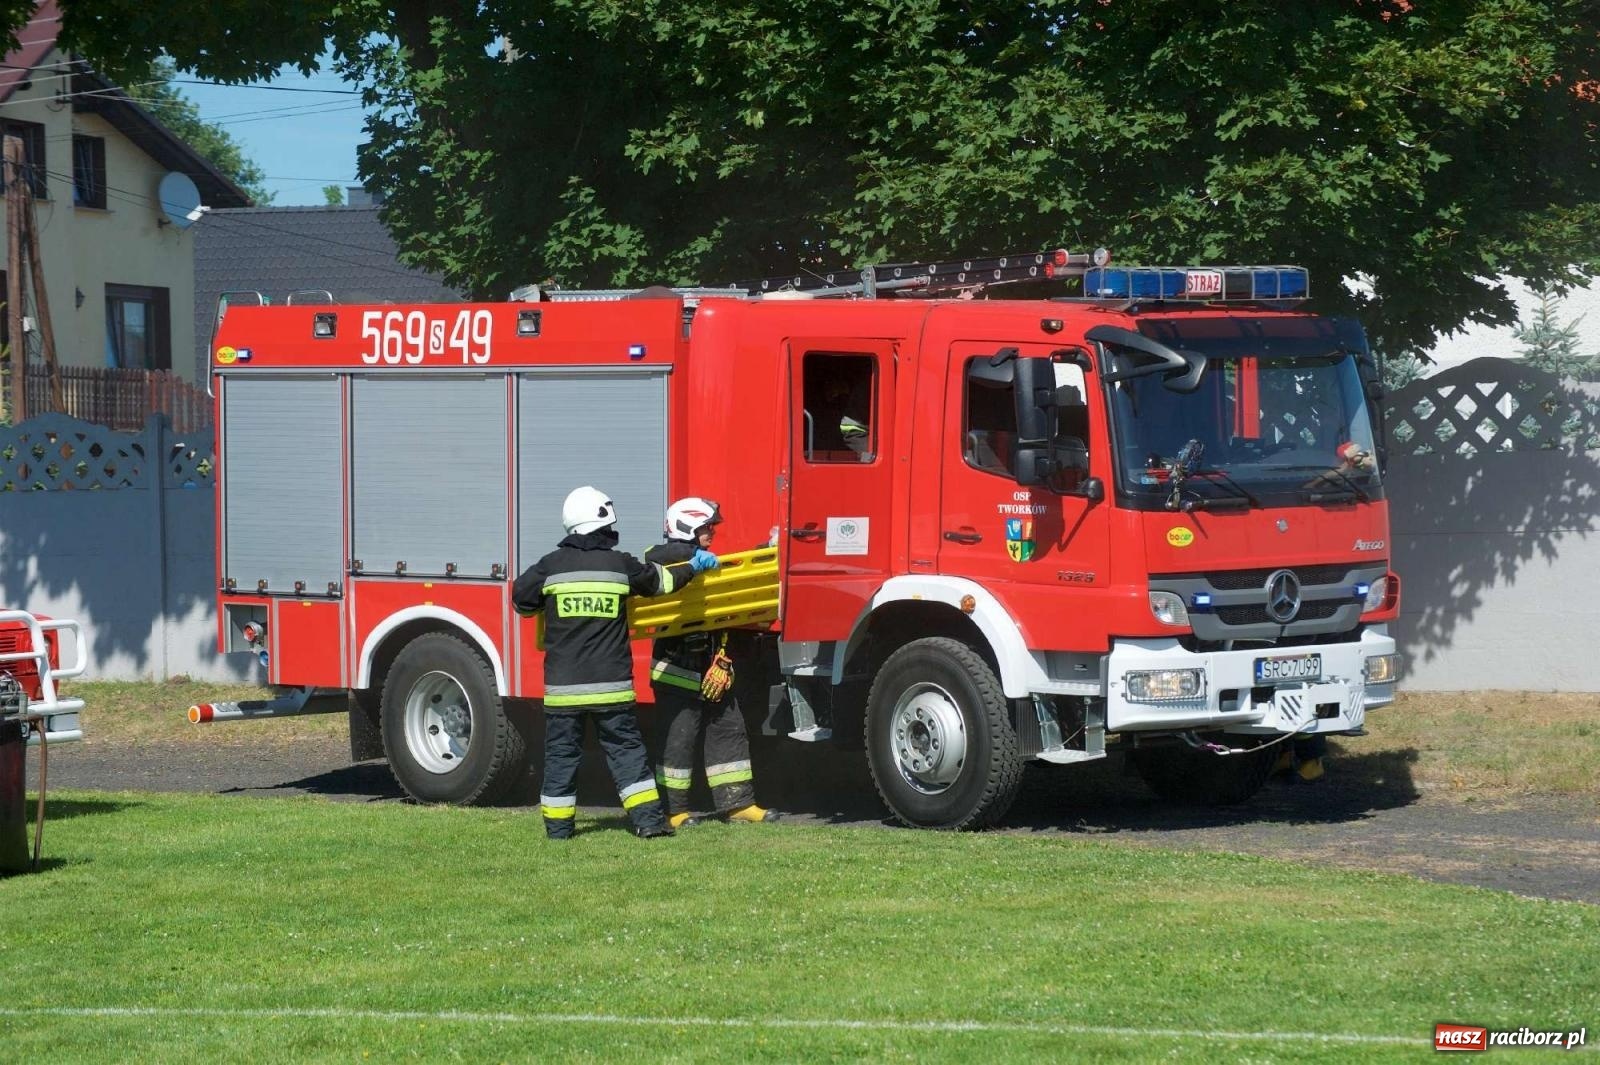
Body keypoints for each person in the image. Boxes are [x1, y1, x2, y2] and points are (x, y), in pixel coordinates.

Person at [513, 486, 717, 839]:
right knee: (627, 754)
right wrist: (692, 567)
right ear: (604, 522)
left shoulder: (550, 566)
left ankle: (559, 830)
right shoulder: (620, 564)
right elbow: (662, 582)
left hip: (564, 691)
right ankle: (649, 823)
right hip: (612, 686)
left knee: (562, 757)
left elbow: (521, 601)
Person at [645, 497, 781, 827]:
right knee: (678, 739)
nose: (712, 534)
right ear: (686, 527)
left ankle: (738, 805)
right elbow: (657, 557)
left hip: (712, 669)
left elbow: (739, 573)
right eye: (706, 528)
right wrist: (691, 559)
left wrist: (769, 548)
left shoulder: (707, 563)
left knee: (730, 731)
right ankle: (673, 811)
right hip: (676, 671)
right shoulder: (662, 561)